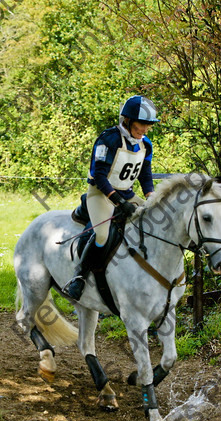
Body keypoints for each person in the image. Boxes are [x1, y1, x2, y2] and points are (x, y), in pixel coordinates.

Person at [64, 95, 160, 300]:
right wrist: (118, 201)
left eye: (148, 126)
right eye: (142, 124)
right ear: (127, 120)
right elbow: (99, 175)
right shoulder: (109, 139)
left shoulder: (146, 144)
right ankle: (80, 276)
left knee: (156, 219)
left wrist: (151, 196)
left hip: (127, 193)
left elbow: (145, 174)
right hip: (101, 194)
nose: (145, 129)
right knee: (101, 235)